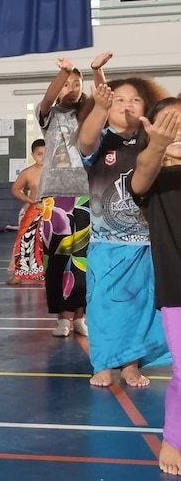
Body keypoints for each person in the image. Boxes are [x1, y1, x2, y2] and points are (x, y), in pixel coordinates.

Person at [78, 79, 170, 387]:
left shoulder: (154, 142)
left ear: (148, 108)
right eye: (118, 100)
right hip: (107, 242)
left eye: (135, 100)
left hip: (146, 242)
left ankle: (130, 363)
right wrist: (100, 107)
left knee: (139, 305)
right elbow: (85, 140)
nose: (127, 105)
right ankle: (103, 363)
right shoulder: (101, 141)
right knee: (103, 305)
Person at [35, 55, 107, 337]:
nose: (73, 88)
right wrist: (63, 73)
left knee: (83, 259)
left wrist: (97, 71)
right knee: (57, 258)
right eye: (68, 84)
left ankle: (80, 316)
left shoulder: (87, 114)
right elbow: (48, 96)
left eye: (77, 84)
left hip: (87, 194)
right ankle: (62, 318)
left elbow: (103, 97)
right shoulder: (49, 116)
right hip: (55, 195)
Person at [129, 98, 181, 475]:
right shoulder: (153, 178)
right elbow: (143, 173)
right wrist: (159, 147)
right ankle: (174, 439)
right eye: (168, 124)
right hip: (178, 287)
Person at [6, 139, 46, 286]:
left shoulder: (56, 172)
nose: (43, 156)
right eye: (39, 154)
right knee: (23, 241)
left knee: (48, 244)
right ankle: (19, 274)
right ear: (33, 155)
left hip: (52, 212)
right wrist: (28, 199)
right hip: (34, 209)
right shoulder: (28, 172)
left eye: (46, 153)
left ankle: (46, 273)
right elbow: (16, 188)